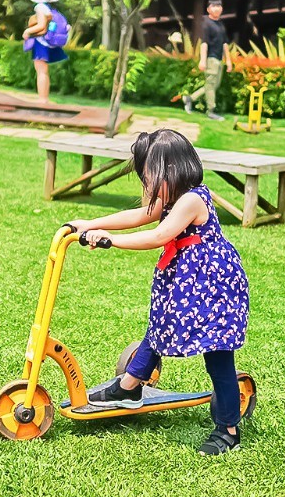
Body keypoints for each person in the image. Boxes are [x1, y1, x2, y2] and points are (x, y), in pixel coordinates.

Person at [68, 129, 249, 455]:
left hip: (212, 287)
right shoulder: (169, 198)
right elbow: (140, 215)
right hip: (185, 280)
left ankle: (229, 430)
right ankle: (129, 386)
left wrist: (110, 240)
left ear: (174, 172)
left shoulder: (191, 199)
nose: (148, 187)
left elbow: (158, 235)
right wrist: (92, 224)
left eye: (151, 178)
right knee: (160, 326)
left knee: (218, 357)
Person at [179, 0, 232, 120]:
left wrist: (228, 61)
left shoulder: (220, 24)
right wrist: (203, 60)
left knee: (213, 86)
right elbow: (204, 43)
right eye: (214, 6)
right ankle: (211, 111)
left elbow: (225, 44)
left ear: (222, 8)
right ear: (208, 9)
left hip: (219, 60)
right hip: (211, 59)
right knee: (211, 85)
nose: (217, 8)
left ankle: (189, 99)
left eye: (219, 6)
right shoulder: (206, 23)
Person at [22, 0, 68, 104]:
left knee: (41, 70)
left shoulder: (40, 7)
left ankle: (42, 99)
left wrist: (28, 31)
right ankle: (44, 98)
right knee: (44, 71)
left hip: (41, 42)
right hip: (49, 41)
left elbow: (41, 25)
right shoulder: (49, 8)